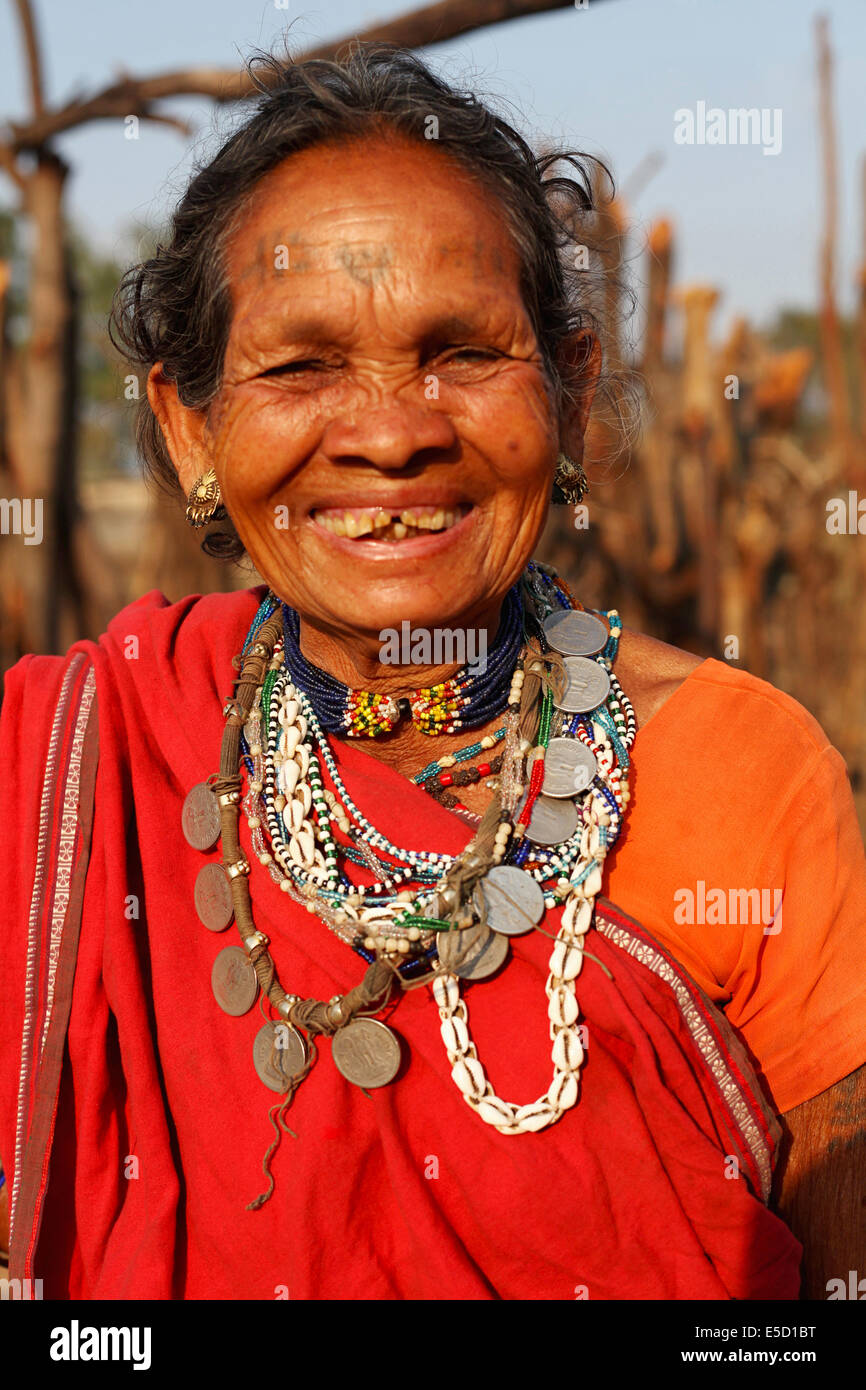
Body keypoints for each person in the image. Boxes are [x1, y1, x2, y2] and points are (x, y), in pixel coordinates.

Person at [1, 42, 864, 1302]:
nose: (394, 431)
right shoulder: (79, 761)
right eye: (300, 367)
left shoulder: (737, 766)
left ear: (566, 399)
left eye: (462, 353)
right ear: (191, 428)